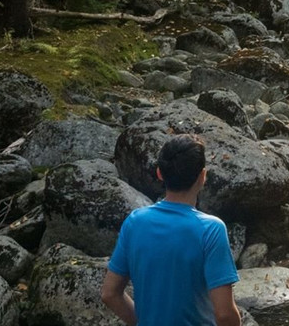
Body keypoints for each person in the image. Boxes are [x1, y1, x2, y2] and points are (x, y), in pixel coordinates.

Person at [101, 134, 242, 326]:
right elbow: (225, 315)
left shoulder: (135, 222)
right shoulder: (211, 229)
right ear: (203, 176)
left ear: (160, 173)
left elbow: (110, 294)